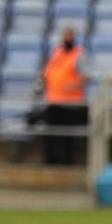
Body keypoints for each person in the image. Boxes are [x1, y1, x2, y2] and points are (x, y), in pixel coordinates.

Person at [40, 27, 89, 165]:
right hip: (53, 100)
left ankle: (67, 163)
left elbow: (86, 76)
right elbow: (47, 72)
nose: (67, 38)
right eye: (65, 35)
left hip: (70, 103)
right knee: (51, 134)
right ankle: (50, 162)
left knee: (67, 135)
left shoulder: (79, 54)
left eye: (69, 35)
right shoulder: (56, 52)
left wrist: (73, 85)